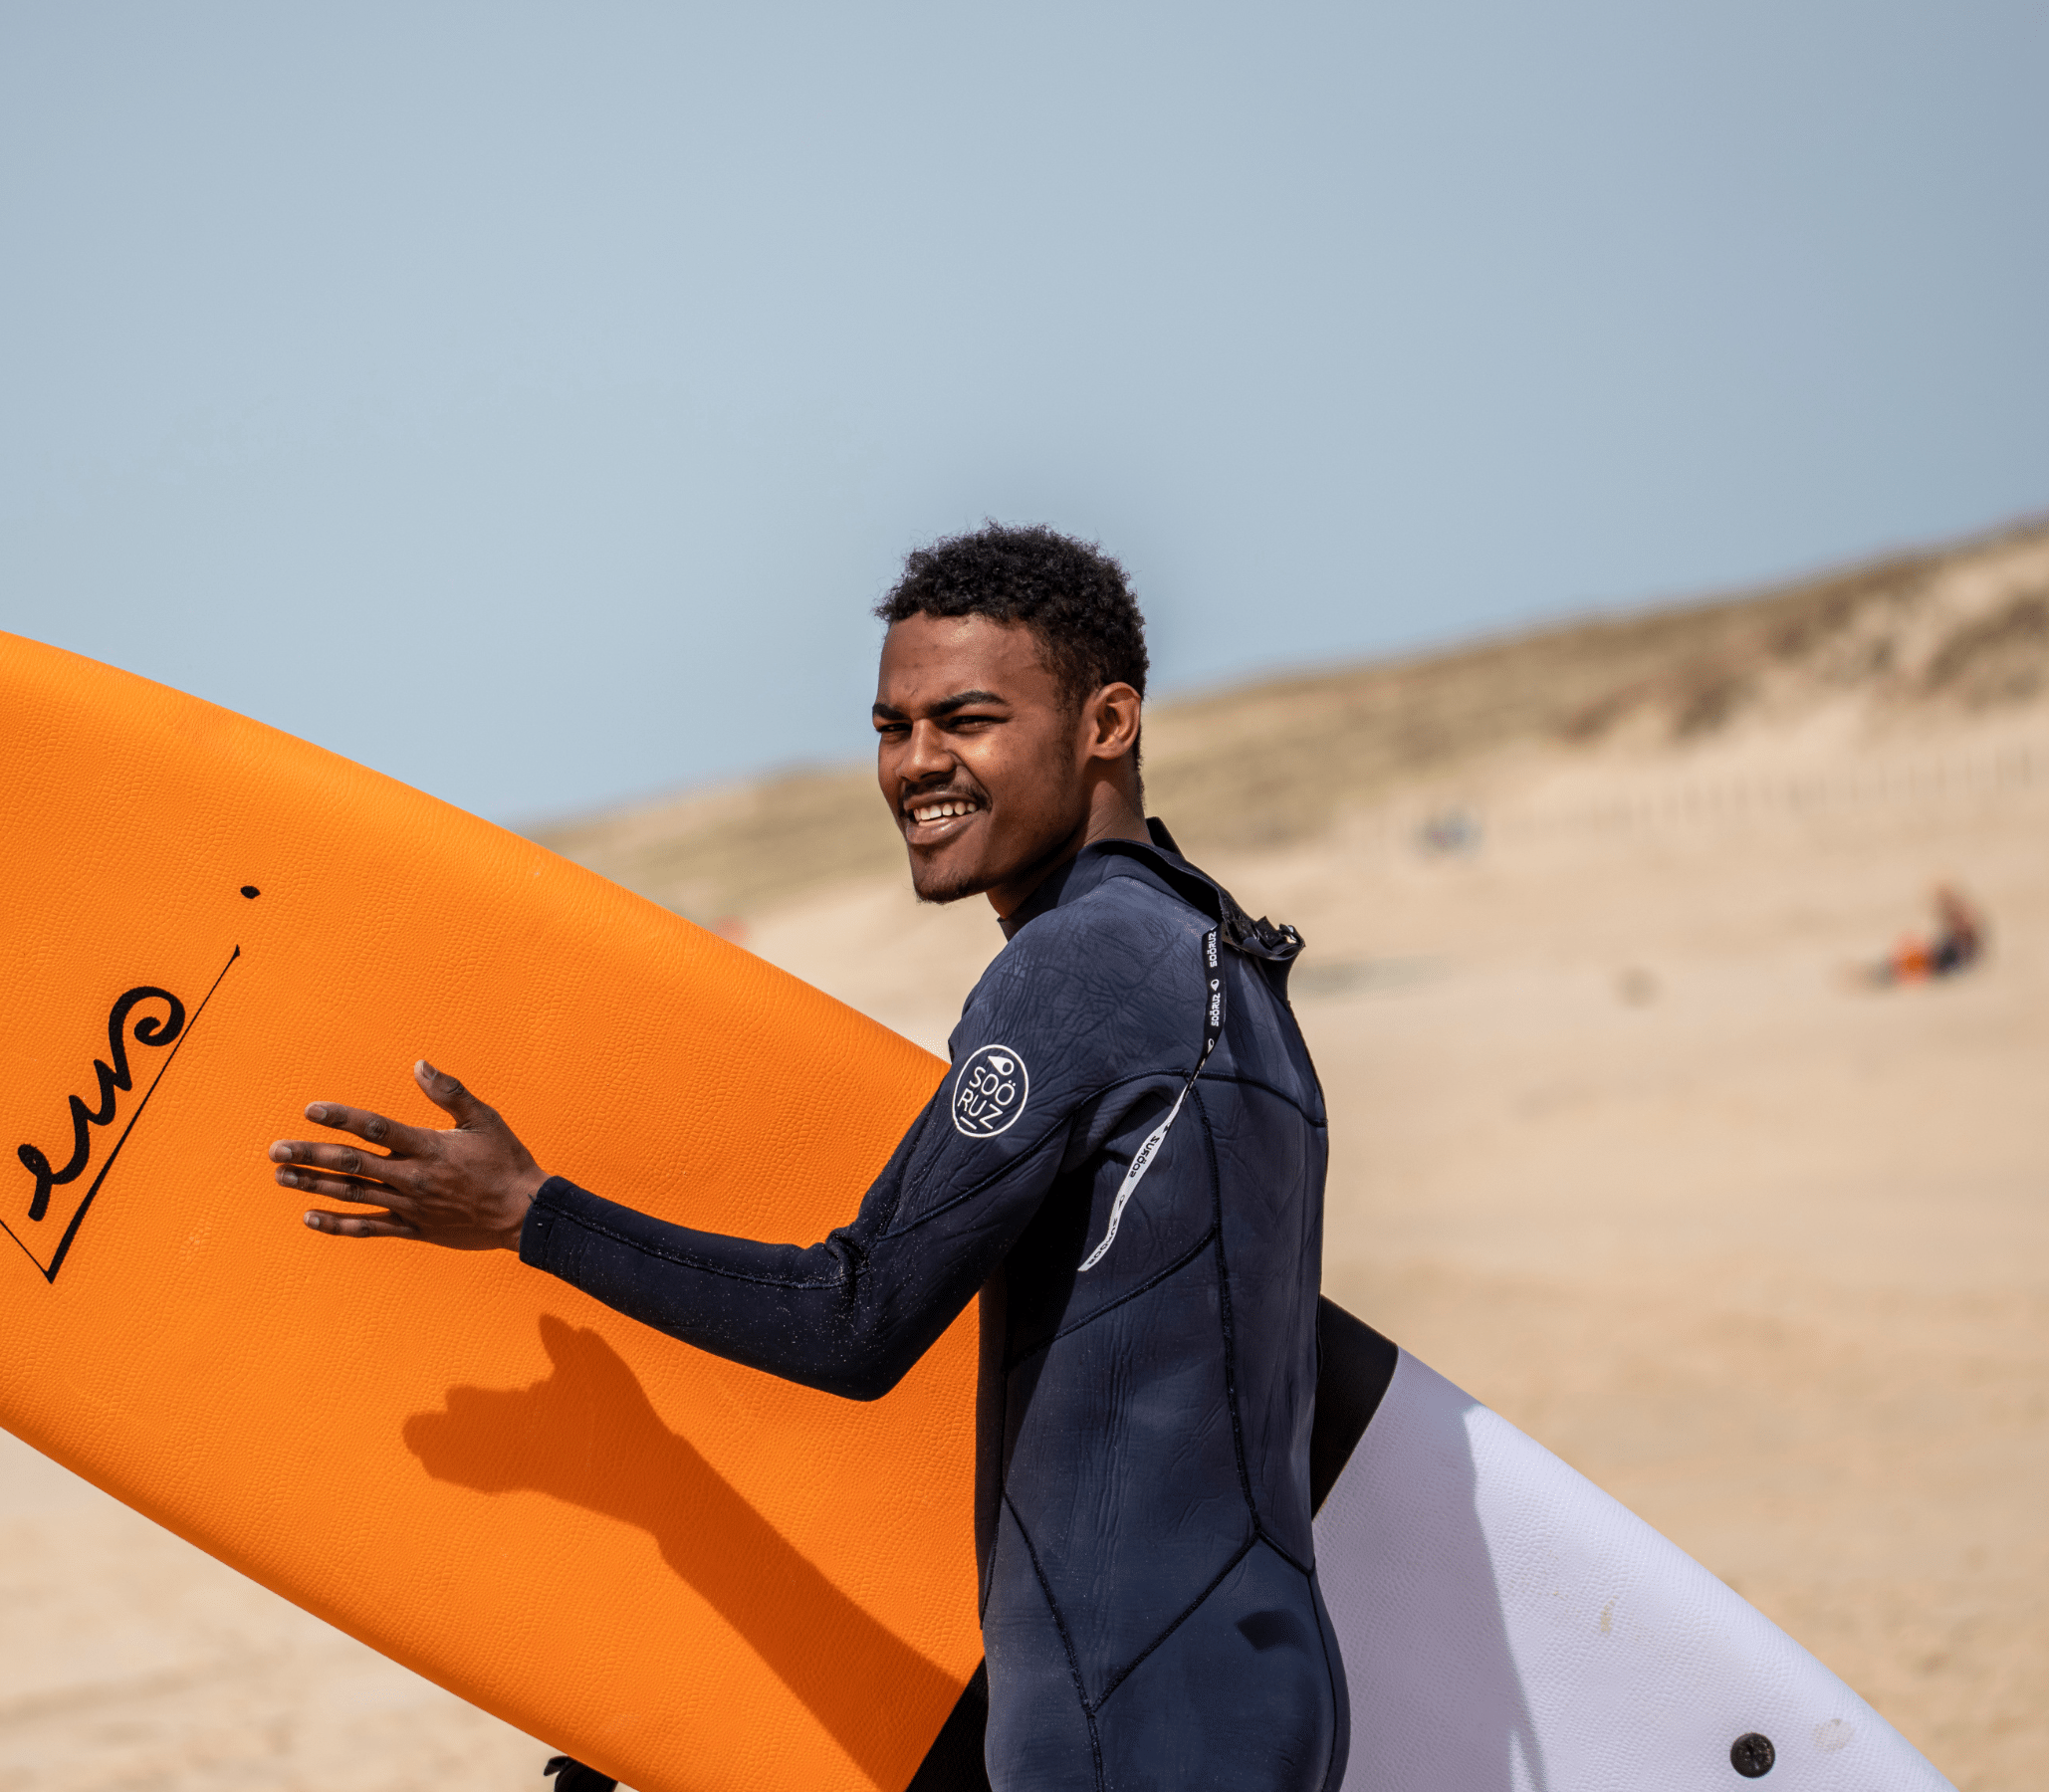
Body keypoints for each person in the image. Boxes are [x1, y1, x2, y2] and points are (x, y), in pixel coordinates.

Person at [266, 526, 1349, 1792]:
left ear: (1106, 723)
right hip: (1252, 1690)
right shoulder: (1222, 960)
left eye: (968, 718)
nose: (917, 764)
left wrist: (530, 1212)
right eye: (892, 727)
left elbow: (854, 1315)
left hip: (1127, 1720)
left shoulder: (1076, 968)